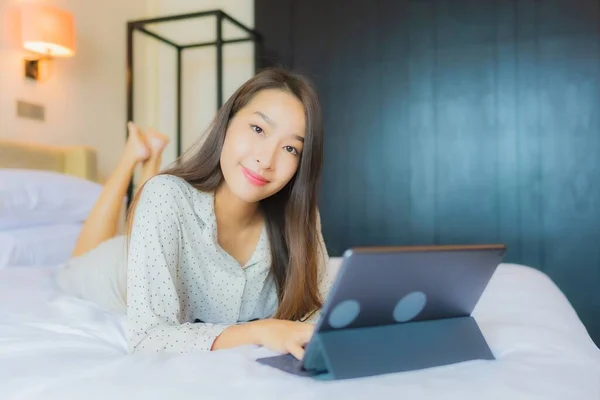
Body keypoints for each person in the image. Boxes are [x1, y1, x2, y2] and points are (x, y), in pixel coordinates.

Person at [56, 68, 333, 361]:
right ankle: (132, 156)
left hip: (162, 220)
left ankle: (148, 160)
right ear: (226, 122)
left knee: (152, 203)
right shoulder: (166, 195)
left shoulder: (300, 220)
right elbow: (148, 337)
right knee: (79, 262)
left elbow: (321, 313)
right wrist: (260, 331)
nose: (266, 160)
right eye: (258, 129)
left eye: (290, 148)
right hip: (116, 271)